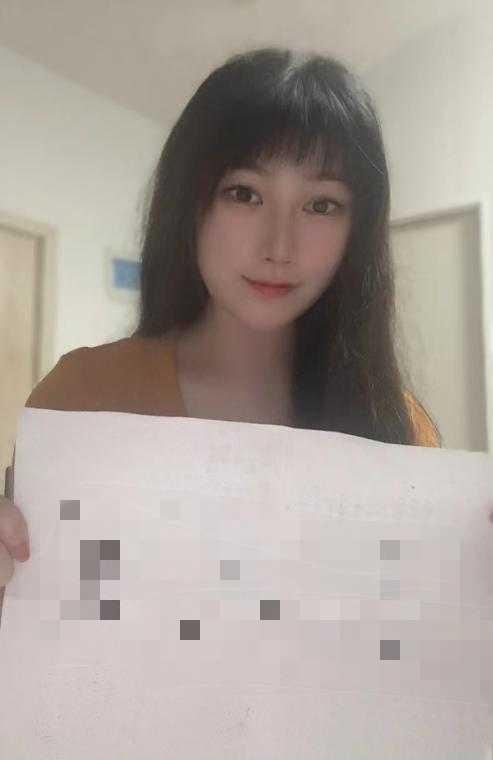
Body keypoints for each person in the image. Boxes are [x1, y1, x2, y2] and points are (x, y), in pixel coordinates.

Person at [0, 45, 444, 605]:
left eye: (322, 205)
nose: (278, 246)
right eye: (244, 193)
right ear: (189, 205)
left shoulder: (399, 428)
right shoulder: (84, 395)